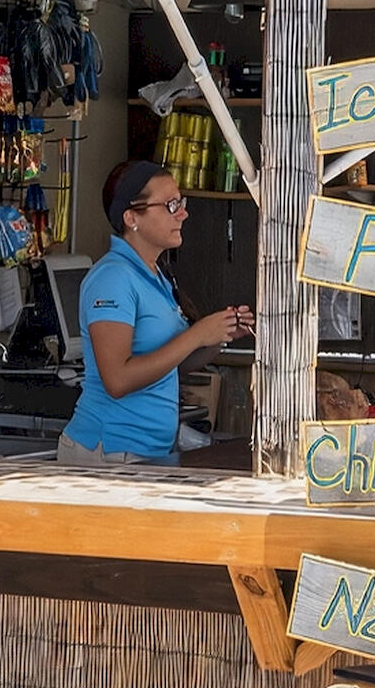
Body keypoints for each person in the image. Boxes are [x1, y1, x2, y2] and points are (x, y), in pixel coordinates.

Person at [57, 161, 253, 467]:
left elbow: (173, 364)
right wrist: (196, 334)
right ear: (131, 217)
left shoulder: (156, 277)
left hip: (150, 452)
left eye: (181, 203)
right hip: (109, 452)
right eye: (171, 205)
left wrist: (218, 336)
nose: (183, 213)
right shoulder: (113, 277)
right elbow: (117, 380)